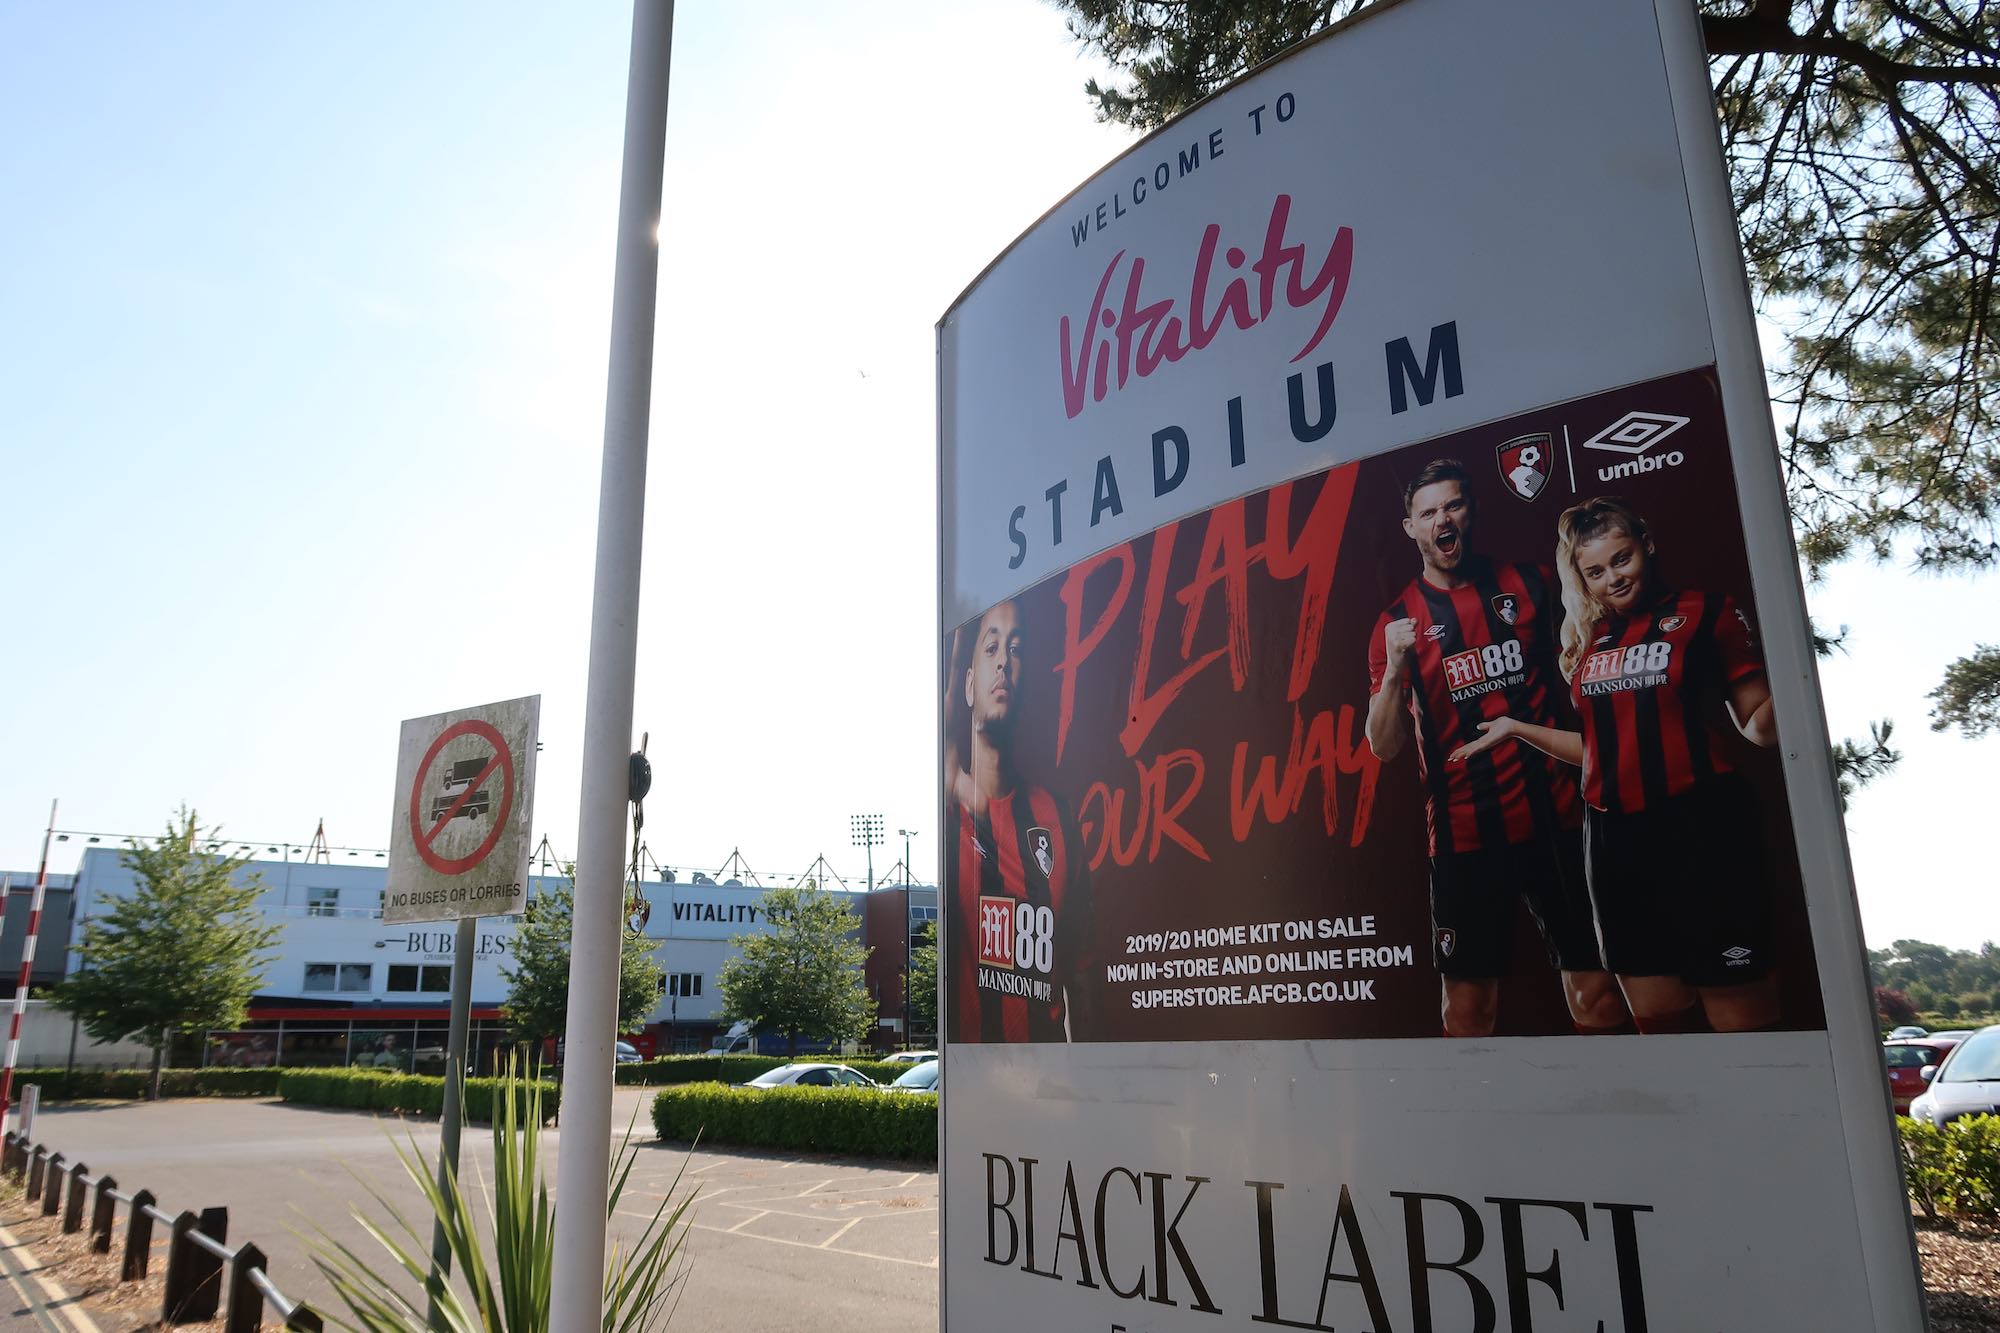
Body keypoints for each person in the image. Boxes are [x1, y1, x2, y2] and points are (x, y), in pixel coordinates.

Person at [1449, 496, 1780, 1032]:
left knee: (1745, 1029)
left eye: (1622, 559)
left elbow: (1759, 730)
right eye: (1596, 572)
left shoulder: (1707, 612)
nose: (1614, 580)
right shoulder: (1586, 640)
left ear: (1646, 544)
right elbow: (1603, 749)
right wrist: (1515, 728)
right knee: (1661, 1027)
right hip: (1615, 843)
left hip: (1705, 829)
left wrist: (1797, 671)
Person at [1366, 459, 1630, 1038]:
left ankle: (1621, 1116)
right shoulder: (1397, 622)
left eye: (1453, 505)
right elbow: (1383, 746)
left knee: (1597, 992)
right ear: (1410, 526)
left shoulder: (1530, 584)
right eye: (1428, 511)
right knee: (1466, 1009)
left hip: (1558, 822)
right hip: (1465, 834)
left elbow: (1596, 663)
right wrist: (1392, 672)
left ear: (1471, 512)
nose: (1444, 519)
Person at [943, 599, 1094, 1042]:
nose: (1004, 662)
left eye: (1015, 648)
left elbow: (1082, 980)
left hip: (1049, 1092)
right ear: (968, 686)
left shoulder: (1058, 818)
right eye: (991, 649)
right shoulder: (948, 815)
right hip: (976, 1091)